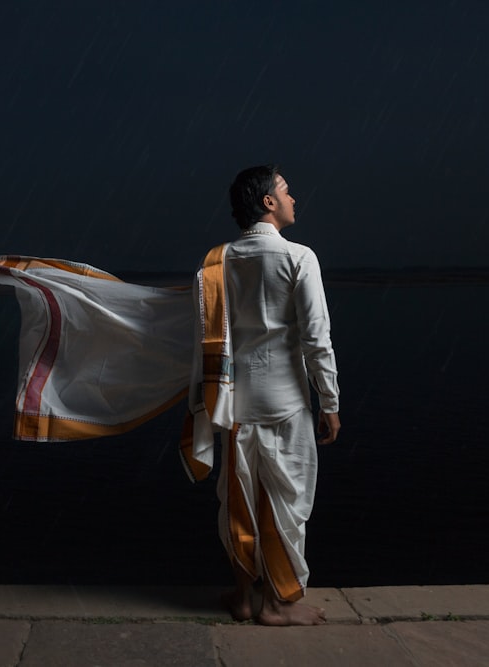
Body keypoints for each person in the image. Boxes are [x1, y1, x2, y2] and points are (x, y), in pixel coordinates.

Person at [197, 164, 341, 626]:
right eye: (286, 191)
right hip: (286, 400)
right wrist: (330, 401)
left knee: (239, 495)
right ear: (268, 203)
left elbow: (206, 333)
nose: (294, 198)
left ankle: (243, 597)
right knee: (286, 498)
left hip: (235, 400)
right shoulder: (299, 258)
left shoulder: (217, 261)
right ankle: (276, 604)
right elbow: (316, 338)